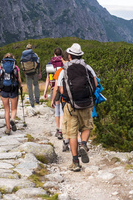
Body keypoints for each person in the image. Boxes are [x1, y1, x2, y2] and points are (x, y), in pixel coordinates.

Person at [58, 43, 97, 172]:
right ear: (80, 55)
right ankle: (84, 144)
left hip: (70, 106)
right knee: (86, 127)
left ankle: (75, 162)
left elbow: (62, 90)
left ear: (69, 56)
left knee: (72, 133)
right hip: (85, 104)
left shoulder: (64, 70)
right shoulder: (87, 67)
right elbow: (95, 84)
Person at [0, 53, 22, 135]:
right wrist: (20, 86)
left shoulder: (1, 68)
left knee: (6, 110)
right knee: (14, 109)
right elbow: (19, 79)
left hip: (4, 89)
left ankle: (8, 128)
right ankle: (12, 119)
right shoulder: (16, 67)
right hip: (13, 89)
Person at [52, 50, 70, 151]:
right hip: (80, 99)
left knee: (63, 116)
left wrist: (53, 99)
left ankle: (63, 135)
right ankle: (81, 142)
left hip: (65, 99)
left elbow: (57, 88)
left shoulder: (60, 71)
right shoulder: (81, 68)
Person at [44, 47, 64, 139]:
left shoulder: (50, 64)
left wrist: (45, 91)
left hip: (53, 87)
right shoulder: (64, 62)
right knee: (63, 109)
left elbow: (48, 78)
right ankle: (62, 129)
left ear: (54, 54)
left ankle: (58, 129)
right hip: (63, 88)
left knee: (57, 108)